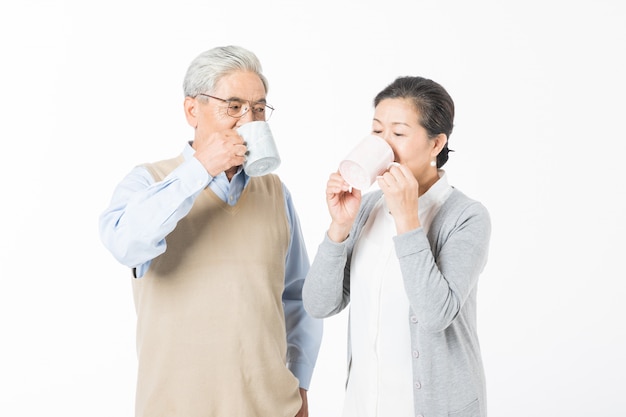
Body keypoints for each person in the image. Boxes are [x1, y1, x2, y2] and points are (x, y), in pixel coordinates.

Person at [99, 45, 322, 417]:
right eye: (233, 107)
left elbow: (298, 297)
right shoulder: (148, 181)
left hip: (271, 408)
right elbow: (126, 243)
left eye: (258, 109)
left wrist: (299, 384)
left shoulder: (275, 192)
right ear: (192, 110)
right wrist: (199, 169)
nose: (248, 120)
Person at [302, 76, 491, 417]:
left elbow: (435, 314)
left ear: (436, 144)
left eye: (399, 133)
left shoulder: (466, 216)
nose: (384, 145)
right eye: (377, 132)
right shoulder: (368, 208)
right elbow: (318, 304)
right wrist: (340, 227)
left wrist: (407, 219)